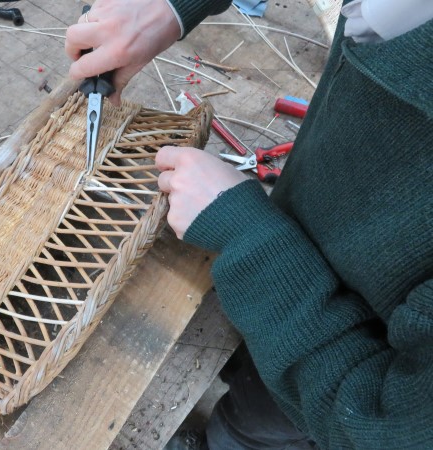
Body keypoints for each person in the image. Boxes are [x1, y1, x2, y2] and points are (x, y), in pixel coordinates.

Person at [66, 1, 433, 448]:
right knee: (238, 352)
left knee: (253, 422)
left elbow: (380, 431)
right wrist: (174, 9)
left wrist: (248, 238)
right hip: (303, 217)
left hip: (334, 358)